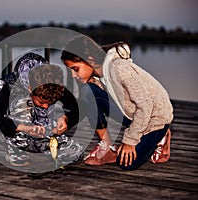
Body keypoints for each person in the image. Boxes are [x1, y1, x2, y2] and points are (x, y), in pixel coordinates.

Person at [61, 36, 173, 170]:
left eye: (75, 69)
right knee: (87, 92)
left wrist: (130, 141)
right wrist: (67, 119)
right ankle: (107, 146)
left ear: (90, 60)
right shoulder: (96, 76)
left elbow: (146, 105)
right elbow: (87, 105)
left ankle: (163, 135)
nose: (73, 75)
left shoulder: (119, 68)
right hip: (131, 113)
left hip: (155, 118)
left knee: (126, 163)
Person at [0, 53, 83, 167]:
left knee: (76, 154)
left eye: (50, 103)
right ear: (30, 88)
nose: (46, 107)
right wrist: (23, 128)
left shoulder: (53, 86)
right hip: (13, 130)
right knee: (22, 103)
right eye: (41, 102)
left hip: (43, 129)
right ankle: (16, 149)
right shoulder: (11, 87)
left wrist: (66, 119)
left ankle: (45, 145)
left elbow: (77, 108)